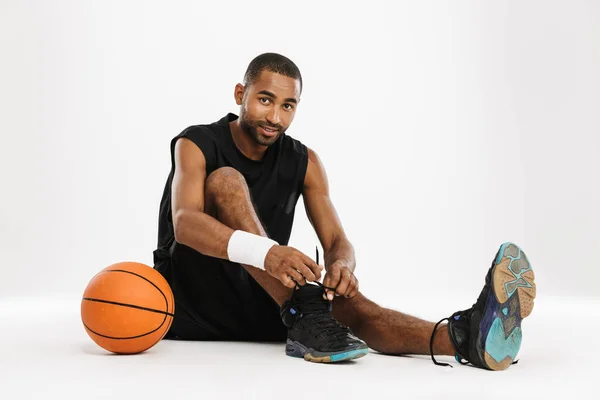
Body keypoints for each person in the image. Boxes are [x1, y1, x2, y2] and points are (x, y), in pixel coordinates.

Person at [152, 52, 536, 369]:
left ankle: (465, 337)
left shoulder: (305, 161)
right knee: (225, 180)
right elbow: (185, 223)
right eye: (265, 100)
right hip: (192, 304)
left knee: (352, 305)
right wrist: (269, 253)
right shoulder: (197, 142)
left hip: (265, 301)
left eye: (288, 106)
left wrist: (342, 268)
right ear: (241, 93)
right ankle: (301, 309)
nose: (275, 118)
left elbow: (337, 240)